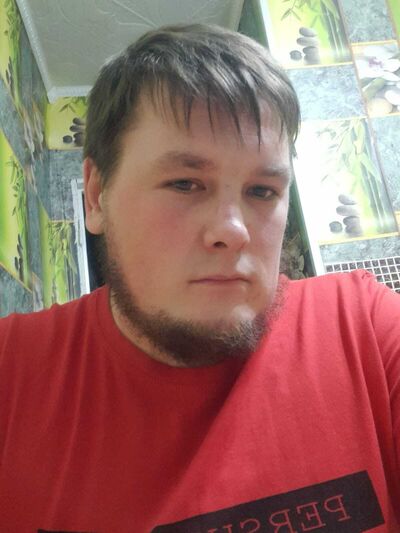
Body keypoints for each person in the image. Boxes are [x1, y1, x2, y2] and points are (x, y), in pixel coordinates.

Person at [0, 23, 399, 533]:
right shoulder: (13, 375)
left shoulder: (365, 329)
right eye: (185, 183)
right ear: (97, 196)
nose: (233, 231)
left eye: (262, 191)